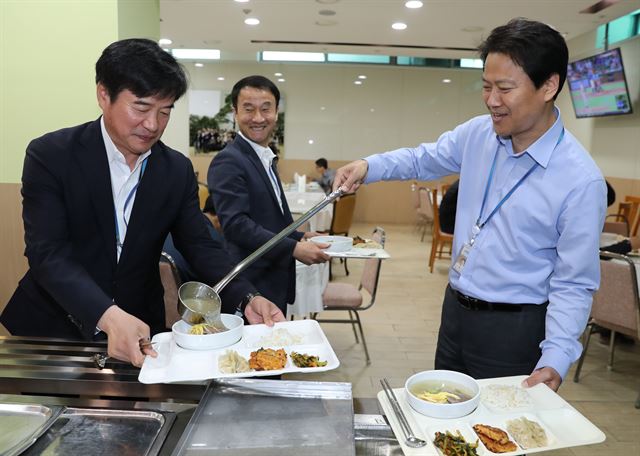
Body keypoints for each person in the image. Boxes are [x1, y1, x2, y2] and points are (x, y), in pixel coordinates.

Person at [334, 18, 607, 391]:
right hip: (455, 312)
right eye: (486, 86)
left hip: (514, 329)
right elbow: (422, 158)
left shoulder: (579, 179)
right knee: (445, 419)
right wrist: (370, 166)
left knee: (499, 440)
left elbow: (574, 282)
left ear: (549, 86)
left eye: (505, 88)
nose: (492, 100)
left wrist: (556, 357)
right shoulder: (479, 134)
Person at [0, 39, 285, 367]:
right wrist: (106, 316)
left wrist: (248, 296)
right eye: (141, 107)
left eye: (165, 112)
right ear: (104, 95)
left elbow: (201, 245)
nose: (153, 124)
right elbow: (47, 254)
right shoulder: (52, 155)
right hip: (53, 330)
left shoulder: (175, 170)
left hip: (139, 328)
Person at [208, 75, 330, 314]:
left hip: (271, 277)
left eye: (266, 109)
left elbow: (266, 219)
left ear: (276, 112)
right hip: (251, 283)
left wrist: (298, 237)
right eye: (248, 109)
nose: (258, 118)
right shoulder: (229, 161)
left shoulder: (265, 157)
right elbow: (237, 225)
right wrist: (293, 249)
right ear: (235, 112)